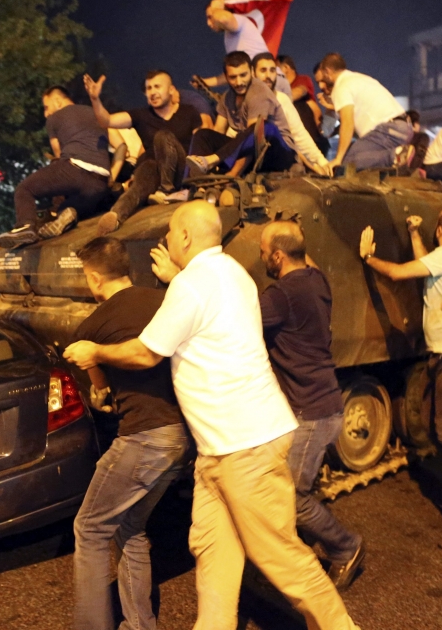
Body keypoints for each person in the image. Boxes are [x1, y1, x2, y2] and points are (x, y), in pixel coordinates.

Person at [63, 201, 359, 630]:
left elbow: (145, 352)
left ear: (184, 237)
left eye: (169, 234)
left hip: (246, 446)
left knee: (282, 557)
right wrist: (177, 279)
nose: (165, 242)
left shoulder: (195, 285)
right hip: (219, 449)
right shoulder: (230, 274)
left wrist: (95, 351)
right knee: (213, 551)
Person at [69, 237, 190, 630]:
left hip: (144, 436)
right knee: (129, 526)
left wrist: (94, 376)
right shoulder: (163, 301)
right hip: (180, 436)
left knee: (89, 528)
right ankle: (140, 624)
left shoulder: (92, 326)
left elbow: (101, 386)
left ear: (93, 277)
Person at [360, 208, 442, 550]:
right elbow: (428, 265)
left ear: (440, 231)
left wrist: (369, 257)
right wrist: (414, 234)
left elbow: (401, 272)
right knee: (440, 428)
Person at [258, 220, 364, 585]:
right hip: (321, 403)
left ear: (276, 255)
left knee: (292, 498)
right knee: (282, 490)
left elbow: (238, 320)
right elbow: (308, 261)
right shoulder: (316, 280)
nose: (261, 258)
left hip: (311, 412)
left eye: (262, 252)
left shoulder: (281, 294)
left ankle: (345, 547)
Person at [83, 70, 203, 234]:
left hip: (182, 172)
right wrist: (95, 99)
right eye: (149, 88)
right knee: (142, 178)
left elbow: (201, 142)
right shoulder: (141, 115)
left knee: (163, 136)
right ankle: (115, 216)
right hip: (155, 172)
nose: (152, 92)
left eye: (157, 87)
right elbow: (107, 120)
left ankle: (166, 191)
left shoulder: (189, 112)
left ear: (171, 89)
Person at [0, 86, 111, 248]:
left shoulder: (55, 118)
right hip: (101, 182)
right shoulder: (95, 112)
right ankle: (66, 215)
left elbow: (58, 154)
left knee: (24, 189)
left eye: (46, 107)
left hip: (75, 169)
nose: (46, 113)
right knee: (66, 209)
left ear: (58, 101)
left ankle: (24, 227)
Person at [186, 51, 297, 178]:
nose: (239, 82)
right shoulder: (227, 97)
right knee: (203, 135)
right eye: (233, 77)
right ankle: (192, 185)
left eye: (243, 75)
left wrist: (232, 174)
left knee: (263, 127)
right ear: (226, 77)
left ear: (251, 71)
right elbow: (218, 131)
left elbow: (255, 140)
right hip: (249, 152)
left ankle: (213, 160)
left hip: (277, 154)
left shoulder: (259, 92)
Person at [315, 52, 412, 171]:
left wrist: (338, 159)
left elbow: (347, 123)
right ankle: (404, 166)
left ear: (327, 71)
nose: (320, 85)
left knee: (347, 164)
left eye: (322, 79)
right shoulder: (359, 78)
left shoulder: (341, 87)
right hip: (403, 128)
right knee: (364, 159)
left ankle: (396, 156)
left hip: (387, 131)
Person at [252, 53, 332, 176]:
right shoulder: (246, 99)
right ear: (253, 73)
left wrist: (321, 161)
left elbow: (299, 135)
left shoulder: (282, 99)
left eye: (272, 70)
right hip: (251, 160)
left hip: (281, 160)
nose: (268, 76)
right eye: (263, 70)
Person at [201, 0, 293, 98]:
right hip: (265, 83)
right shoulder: (229, 35)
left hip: (270, 82)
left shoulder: (239, 21)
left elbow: (223, 19)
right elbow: (236, 71)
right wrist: (205, 82)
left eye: (211, 17)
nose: (209, 23)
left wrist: (215, 8)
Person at [277, 54, 328, 155]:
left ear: (286, 68)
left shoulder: (303, 80)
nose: (274, 73)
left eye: (275, 68)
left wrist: (276, 101)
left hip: (312, 137)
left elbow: (300, 91)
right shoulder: (280, 89)